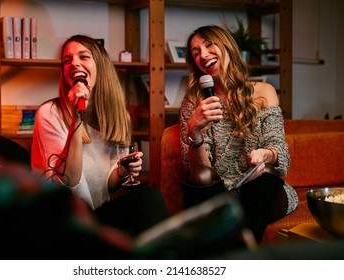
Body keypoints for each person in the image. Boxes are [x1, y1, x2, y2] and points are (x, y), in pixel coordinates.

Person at [31, 34, 169, 236]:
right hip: (62, 218)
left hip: (95, 215)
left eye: (83, 57)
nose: (74, 64)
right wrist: (76, 119)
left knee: (149, 197)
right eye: (67, 60)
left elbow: (106, 186)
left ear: (101, 67)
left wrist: (120, 172)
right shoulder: (49, 113)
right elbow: (68, 182)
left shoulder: (116, 118)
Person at [179, 25, 298, 242]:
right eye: (196, 53)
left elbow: (279, 150)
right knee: (199, 176)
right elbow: (198, 171)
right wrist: (194, 130)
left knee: (265, 175)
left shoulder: (263, 92)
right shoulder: (193, 104)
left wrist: (266, 154)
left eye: (208, 45)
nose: (203, 55)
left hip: (261, 191)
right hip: (220, 194)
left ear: (226, 46)